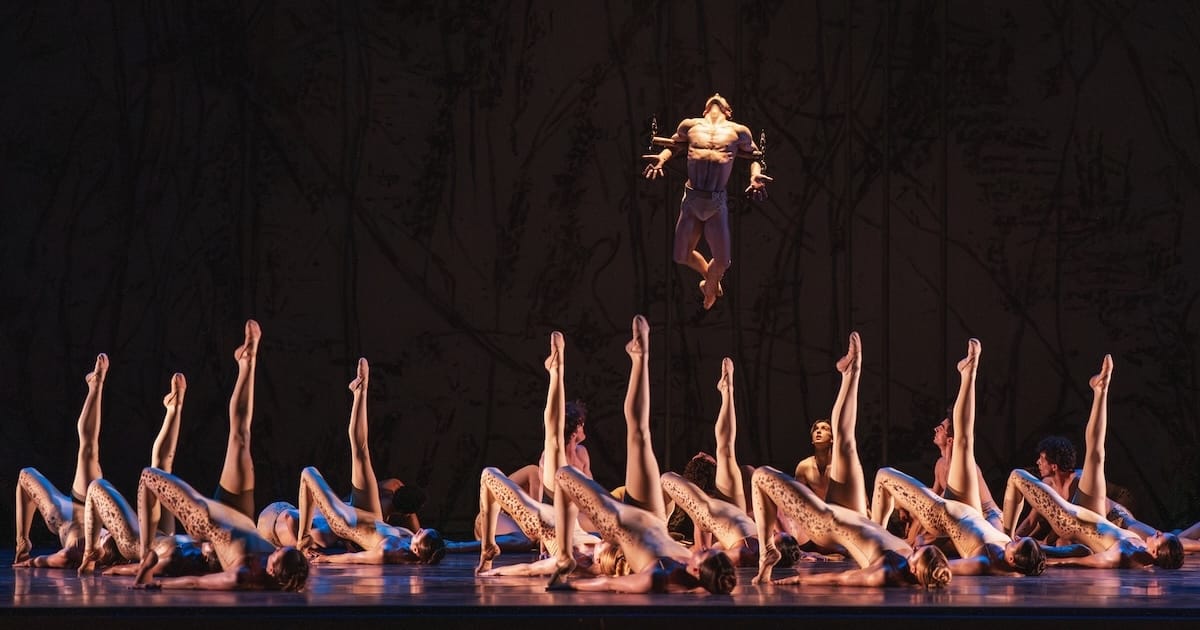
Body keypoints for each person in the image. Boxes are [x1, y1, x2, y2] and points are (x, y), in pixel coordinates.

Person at [1001, 355, 1184, 570]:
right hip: (1094, 516)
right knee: (1097, 455)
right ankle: (1101, 390)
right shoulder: (1141, 546)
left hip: (1071, 521)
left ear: (1155, 552)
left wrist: (1046, 563)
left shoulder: (1125, 554)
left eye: (1161, 538)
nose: (1159, 533)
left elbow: (1087, 562)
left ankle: (1004, 540)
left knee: (1016, 475)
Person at [293, 358, 445, 565]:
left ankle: (302, 541)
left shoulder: (390, 550)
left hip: (348, 522)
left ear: (417, 550)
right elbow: (440, 544)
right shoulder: (410, 539)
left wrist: (327, 560)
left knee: (309, 473)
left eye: (421, 534)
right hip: (371, 517)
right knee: (362, 452)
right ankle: (360, 392)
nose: (418, 530)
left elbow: (360, 558)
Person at [660, 358, 801, 568]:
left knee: (668, 477)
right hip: (733, 511)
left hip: (716, 516)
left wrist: (682, 556)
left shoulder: (744, 552)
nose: (775, 537)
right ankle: (727, 391)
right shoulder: (758, 542)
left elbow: (705, 553)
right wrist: (800, 553)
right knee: (726, 451)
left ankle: (728, 392)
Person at [642, 93, 773, 309]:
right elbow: (674, 145)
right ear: (704, 110)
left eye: (722, 98)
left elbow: (756, 158)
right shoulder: (690, 125)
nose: (717, 95)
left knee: (723, 261)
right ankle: (711, 282)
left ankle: (710, 287)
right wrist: (662, 158)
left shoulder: (739, 131)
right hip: (692, 199)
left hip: (716, 202)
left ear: (728, 111)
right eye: (713, 97)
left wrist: (754, 176)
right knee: (680, 255)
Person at [750, 466, 951, 588]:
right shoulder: (910, 564)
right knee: (845, 439)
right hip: (854, 514)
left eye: (916, 552)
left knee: (760, 476)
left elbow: (840, 579)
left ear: (914, 569)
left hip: (824, 521)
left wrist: (798, 580)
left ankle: (767, 550)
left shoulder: (885, 572)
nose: (913, 548)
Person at [76, 372, 188, 574]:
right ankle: (174, 409)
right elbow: (156, 564)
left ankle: (175, 409)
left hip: (145, 543)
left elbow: (151, 565)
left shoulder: (189, 551)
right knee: (158, 472)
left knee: (99, 485)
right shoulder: (191, 553)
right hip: (154, 541)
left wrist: (114, 568)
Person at [130, 467, 308, 591]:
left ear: (271, 571)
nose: (276, 549)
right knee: (240, 434)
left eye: (277, 554)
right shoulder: (282, 574)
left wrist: (158, 585)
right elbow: (295, 579)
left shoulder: (240, 576)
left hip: (204, 517)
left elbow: (196, 583)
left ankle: (144, 557)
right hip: (234, 516)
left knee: (149, 475)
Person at [13, 353, 109, 568]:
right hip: (88, 504)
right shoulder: (118, 542)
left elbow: (63, 557)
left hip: (65, 516)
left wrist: (32, 562)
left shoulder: (85, 550)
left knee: (25, 474)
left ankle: (22, 543)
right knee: (89, 449)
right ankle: (96, 385)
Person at [793, 419, 832, 501]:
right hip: (818, 511)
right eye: (816, 429)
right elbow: (796, 498)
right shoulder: (804, 466)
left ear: (832, 439)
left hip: (842, 510)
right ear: (812, 440)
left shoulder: (842, 466)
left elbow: (859, 495)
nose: (818, 431)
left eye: (824, 428)